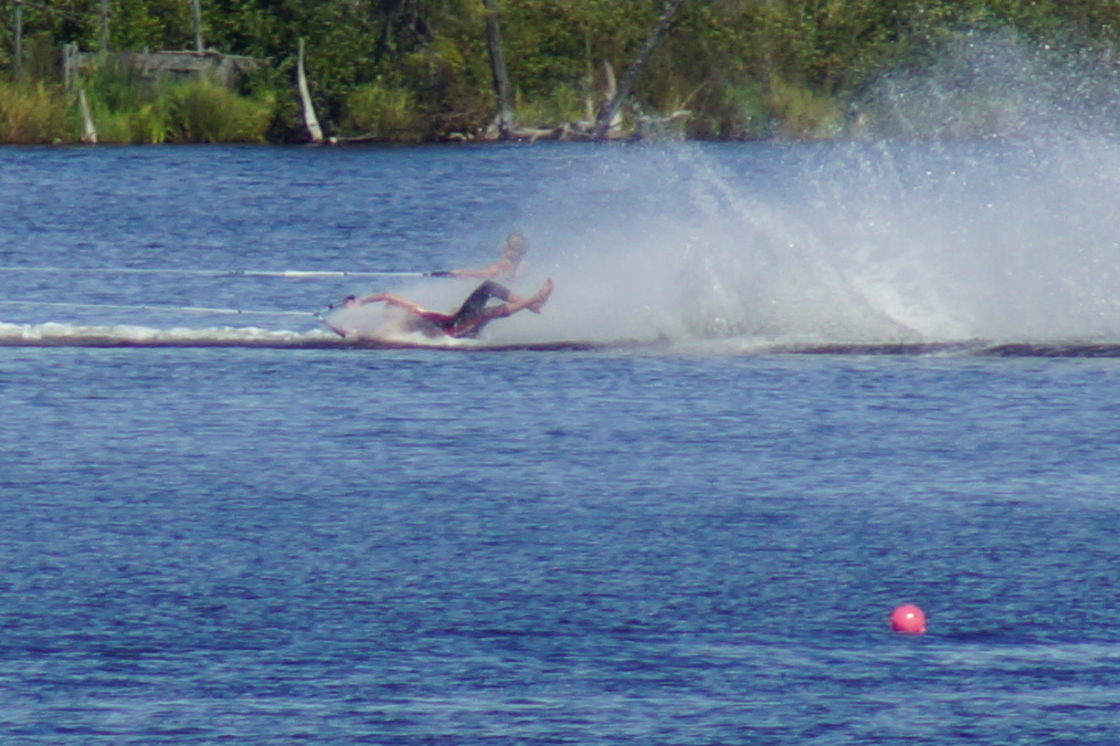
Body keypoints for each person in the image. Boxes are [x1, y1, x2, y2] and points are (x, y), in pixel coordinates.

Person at [346, 277, 553, 339]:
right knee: (490, 312)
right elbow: (374, 336)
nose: (400, 307)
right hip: (454, 332)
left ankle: (534, 304)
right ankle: (535, 300)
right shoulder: (399, 327)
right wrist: (353, 331)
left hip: (457, 320)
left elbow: (385, 295)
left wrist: (360, 303)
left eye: (397, 307)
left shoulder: (416, 310)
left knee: (488, 287)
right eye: (394, 308)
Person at [436, 232, 530, 280]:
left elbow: (486, 274)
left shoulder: (505, 264)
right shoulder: (524, 264)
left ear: (507, 246)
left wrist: (464, 272)